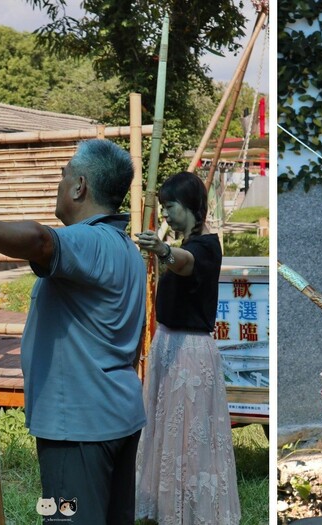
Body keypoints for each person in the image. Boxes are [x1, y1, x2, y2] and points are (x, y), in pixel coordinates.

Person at [0, 139, 146, 524]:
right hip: (115, 415)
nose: (60, 182)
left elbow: (41, 241)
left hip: (79, 427)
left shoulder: (89, 240)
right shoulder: (124, 246)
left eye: (64, 174)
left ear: (80, 187)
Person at [133, 171, 241, 524]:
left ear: (193, 205)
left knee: (191, 434)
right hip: (167, 344)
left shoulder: (207, 246)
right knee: (165, 429)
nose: (165, 213)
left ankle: (192, 509)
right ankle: (165, 504)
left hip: (191, 352)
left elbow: (185, 264)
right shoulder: (184, 245)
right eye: (163, 207)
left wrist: (163, 250)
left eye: (171, 206)